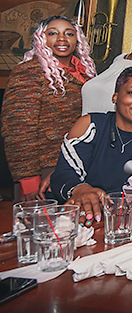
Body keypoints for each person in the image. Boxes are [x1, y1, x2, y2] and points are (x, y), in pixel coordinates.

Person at [50, 65, 132, 223]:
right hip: (76, 218)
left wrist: (89, 201)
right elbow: (63, 175)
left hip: (123, 223)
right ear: (115, 97)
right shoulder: (90, 125)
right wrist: (80, 190)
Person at [1, 15, 97, 201]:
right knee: (42, 228)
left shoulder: (87, 73)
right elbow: (18, 129)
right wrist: (29, 181)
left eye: (69, 33)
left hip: (81, 165)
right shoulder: (29, 71)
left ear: (77, 39)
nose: (62, 38)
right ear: (42, 38)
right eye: (53, 33)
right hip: (45, 169)